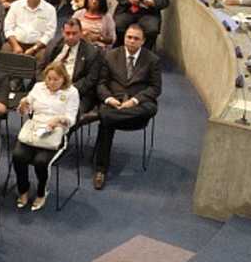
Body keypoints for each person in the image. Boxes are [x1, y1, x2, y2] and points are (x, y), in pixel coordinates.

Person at [92, 24, 161, 190]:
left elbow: (155, 88)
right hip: (114, 104)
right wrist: (109, 98)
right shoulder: (110, 55)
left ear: (143, 41)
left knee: (149, 109)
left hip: (137, 108)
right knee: (106, 120)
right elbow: (101, 84)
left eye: (136, 38)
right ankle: (101, 170)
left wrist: (135, 101)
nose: (131, 41)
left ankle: (108, 117)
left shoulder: (152, 60)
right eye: (129, 37)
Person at [12, 63, 80, 211]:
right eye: (49, 78)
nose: (51, 82)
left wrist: (58, 120)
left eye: (56, 79)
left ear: (64, 79)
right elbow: (26, 108)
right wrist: (23, 106)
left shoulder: (71, 92)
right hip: (35, 128)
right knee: (18, 156)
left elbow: (72, 118)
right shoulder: (38, 87)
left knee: (41, 161)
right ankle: (23, 190)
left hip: (55, 132)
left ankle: (42, 193)